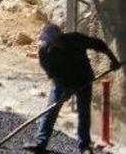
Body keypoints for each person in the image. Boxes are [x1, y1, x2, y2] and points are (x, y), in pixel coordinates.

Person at [23, 23, 121, 154]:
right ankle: (40, 142)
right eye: (50, 42)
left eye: (56, 40)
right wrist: (66, 90)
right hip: (61, 82)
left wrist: (113, 59)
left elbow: (99, 44)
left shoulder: (75, 39)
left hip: (83, 79)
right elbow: (53, 75)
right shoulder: (44, 53)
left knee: (83, 112)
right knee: (51, 110)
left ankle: (84, 146)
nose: (54, 43)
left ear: (60, 36)